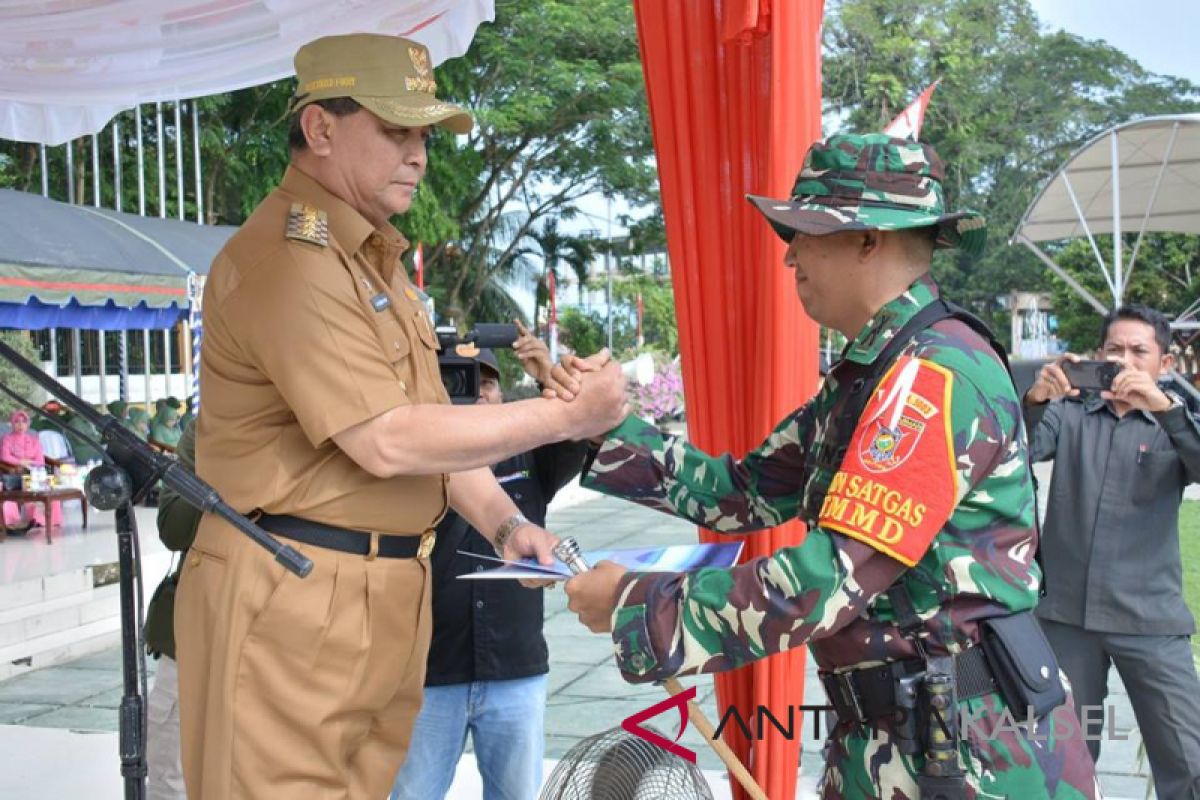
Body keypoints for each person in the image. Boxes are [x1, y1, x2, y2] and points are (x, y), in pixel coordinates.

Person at [563, 133, 1100, 799]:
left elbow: (823, 583)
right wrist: (600, 421)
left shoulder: (930, 377)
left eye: (804, 231)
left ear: (868, 239)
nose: (789, 255)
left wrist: (636, 607)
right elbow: (742, 492)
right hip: (897, 734)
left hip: (972, 750)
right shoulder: (868, 377)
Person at [175, 33, 627, 800]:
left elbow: (427, 430)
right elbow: (385, 438)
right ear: (320, 129)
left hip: (375, 597)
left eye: (421, 134)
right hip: (294, 592)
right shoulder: (290, 263)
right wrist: (563, 416)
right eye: (394, 130)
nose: (418, 154)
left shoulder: (370, 262)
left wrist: (506, 526)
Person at [391, 343, 590, 800]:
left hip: (515, 670)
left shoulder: (529, 457)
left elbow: (577, 434)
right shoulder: (415, 461)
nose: (477, 395)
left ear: (503, 395)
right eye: (461, 383)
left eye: (487, 384)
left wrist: (548, 379)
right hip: (430, 670)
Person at [1024, 304, 1200, 799]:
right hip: (1066, 619)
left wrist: (1167, 410)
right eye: (1114, 349)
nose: (1124, 360)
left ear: (1164, 364)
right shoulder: (1071, 413)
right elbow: (1016, 453)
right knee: (1062, 761)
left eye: (1139, 352)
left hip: (1149, 620)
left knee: (1187, 759)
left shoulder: (1175, 423)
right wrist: (1038, 398)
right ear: (1098, 356)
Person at [143, 418, 200, 800]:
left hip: (286, 639)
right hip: (192, 636)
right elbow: (174, 528)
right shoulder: (208, 429)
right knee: (171, 780)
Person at [1, 409, 62, 529]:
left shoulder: (34, 439)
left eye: (24, 422)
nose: (20, 425)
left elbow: (40, 460)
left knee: (51, 481)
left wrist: (30, 464)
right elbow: (4, 456)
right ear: (12, 424)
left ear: (28, 424)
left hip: (35, 471)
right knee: (30, 480)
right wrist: (21, 462)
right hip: (15, 473)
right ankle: (26, 519)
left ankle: (43, 519)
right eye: (17, 422)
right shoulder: (7, 439)